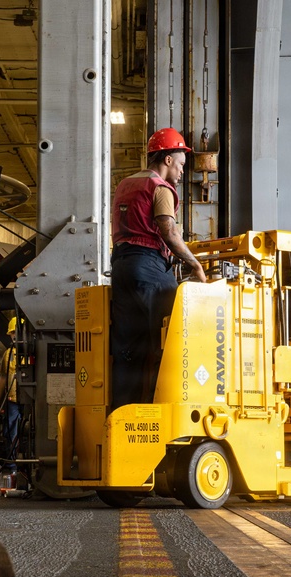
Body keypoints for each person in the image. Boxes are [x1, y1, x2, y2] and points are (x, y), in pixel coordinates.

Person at [110, 127, 207, 408]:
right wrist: (195, 266)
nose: (181, 172)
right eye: (180, 164)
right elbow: (169, 232)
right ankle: (163, 410)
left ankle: (124, 414)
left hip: (122, 267)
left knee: (128, 349)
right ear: (167, 160)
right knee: (172, 337)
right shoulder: (160, 188)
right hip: (150, 266)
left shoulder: (125, 184)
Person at [0, 318, 21, 465]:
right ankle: (12, 465)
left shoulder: (33, 352)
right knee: (11, 432)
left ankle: (27, 465)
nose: (15, 336)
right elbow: (2, 378)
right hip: (12, 401)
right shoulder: (8, 354)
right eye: (12, 333)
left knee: (28, 432)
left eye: (17, 332)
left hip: (29, 402)